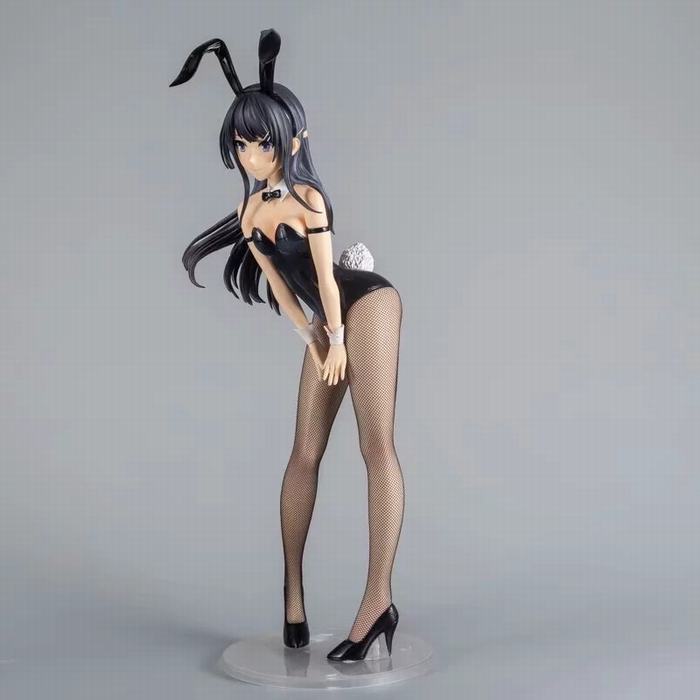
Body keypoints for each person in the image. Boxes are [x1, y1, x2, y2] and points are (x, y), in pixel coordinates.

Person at [171, 30, 404, 662]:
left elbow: (327, 279)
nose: (252, 156)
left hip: (365, 305)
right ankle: (292, 595)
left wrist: (338, 339)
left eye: (263, 143)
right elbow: (281, 290)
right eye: (242, 144)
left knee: (375, 446)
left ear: (293, 142)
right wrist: (313, 339)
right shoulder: (251, 216)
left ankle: (377, 603)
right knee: (304, 452)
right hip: (323, 322)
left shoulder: (309, 199)